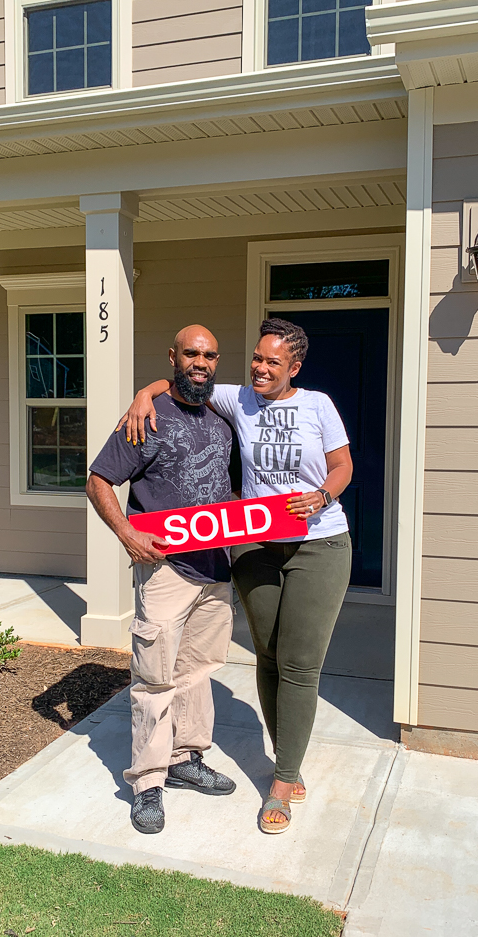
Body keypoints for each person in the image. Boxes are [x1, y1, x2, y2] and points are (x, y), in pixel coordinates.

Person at [122, 318, 353, 835]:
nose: (261, 368)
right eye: (256, 357)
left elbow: (343, 466)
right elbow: (186, 375)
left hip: (319, 542)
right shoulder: (239, 398)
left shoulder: (317, 405)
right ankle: (282, 756)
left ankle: (283, 778)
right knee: (268, 656)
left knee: (299, 663)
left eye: (273, 362)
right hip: (255, 546)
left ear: (294, 368)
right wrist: (144, 393)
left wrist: (322, 495)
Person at [86, 324, 237, 835]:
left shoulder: (221, 414)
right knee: (155, 678)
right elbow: (98, 479)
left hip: (216, 568)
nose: (201, 362)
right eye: (191, 353)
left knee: (197, 670)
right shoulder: (146, 419)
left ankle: (185, 758)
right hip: (167, 569)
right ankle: (147, 782)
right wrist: (127, 534)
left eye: (209, 355)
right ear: (172, 356)